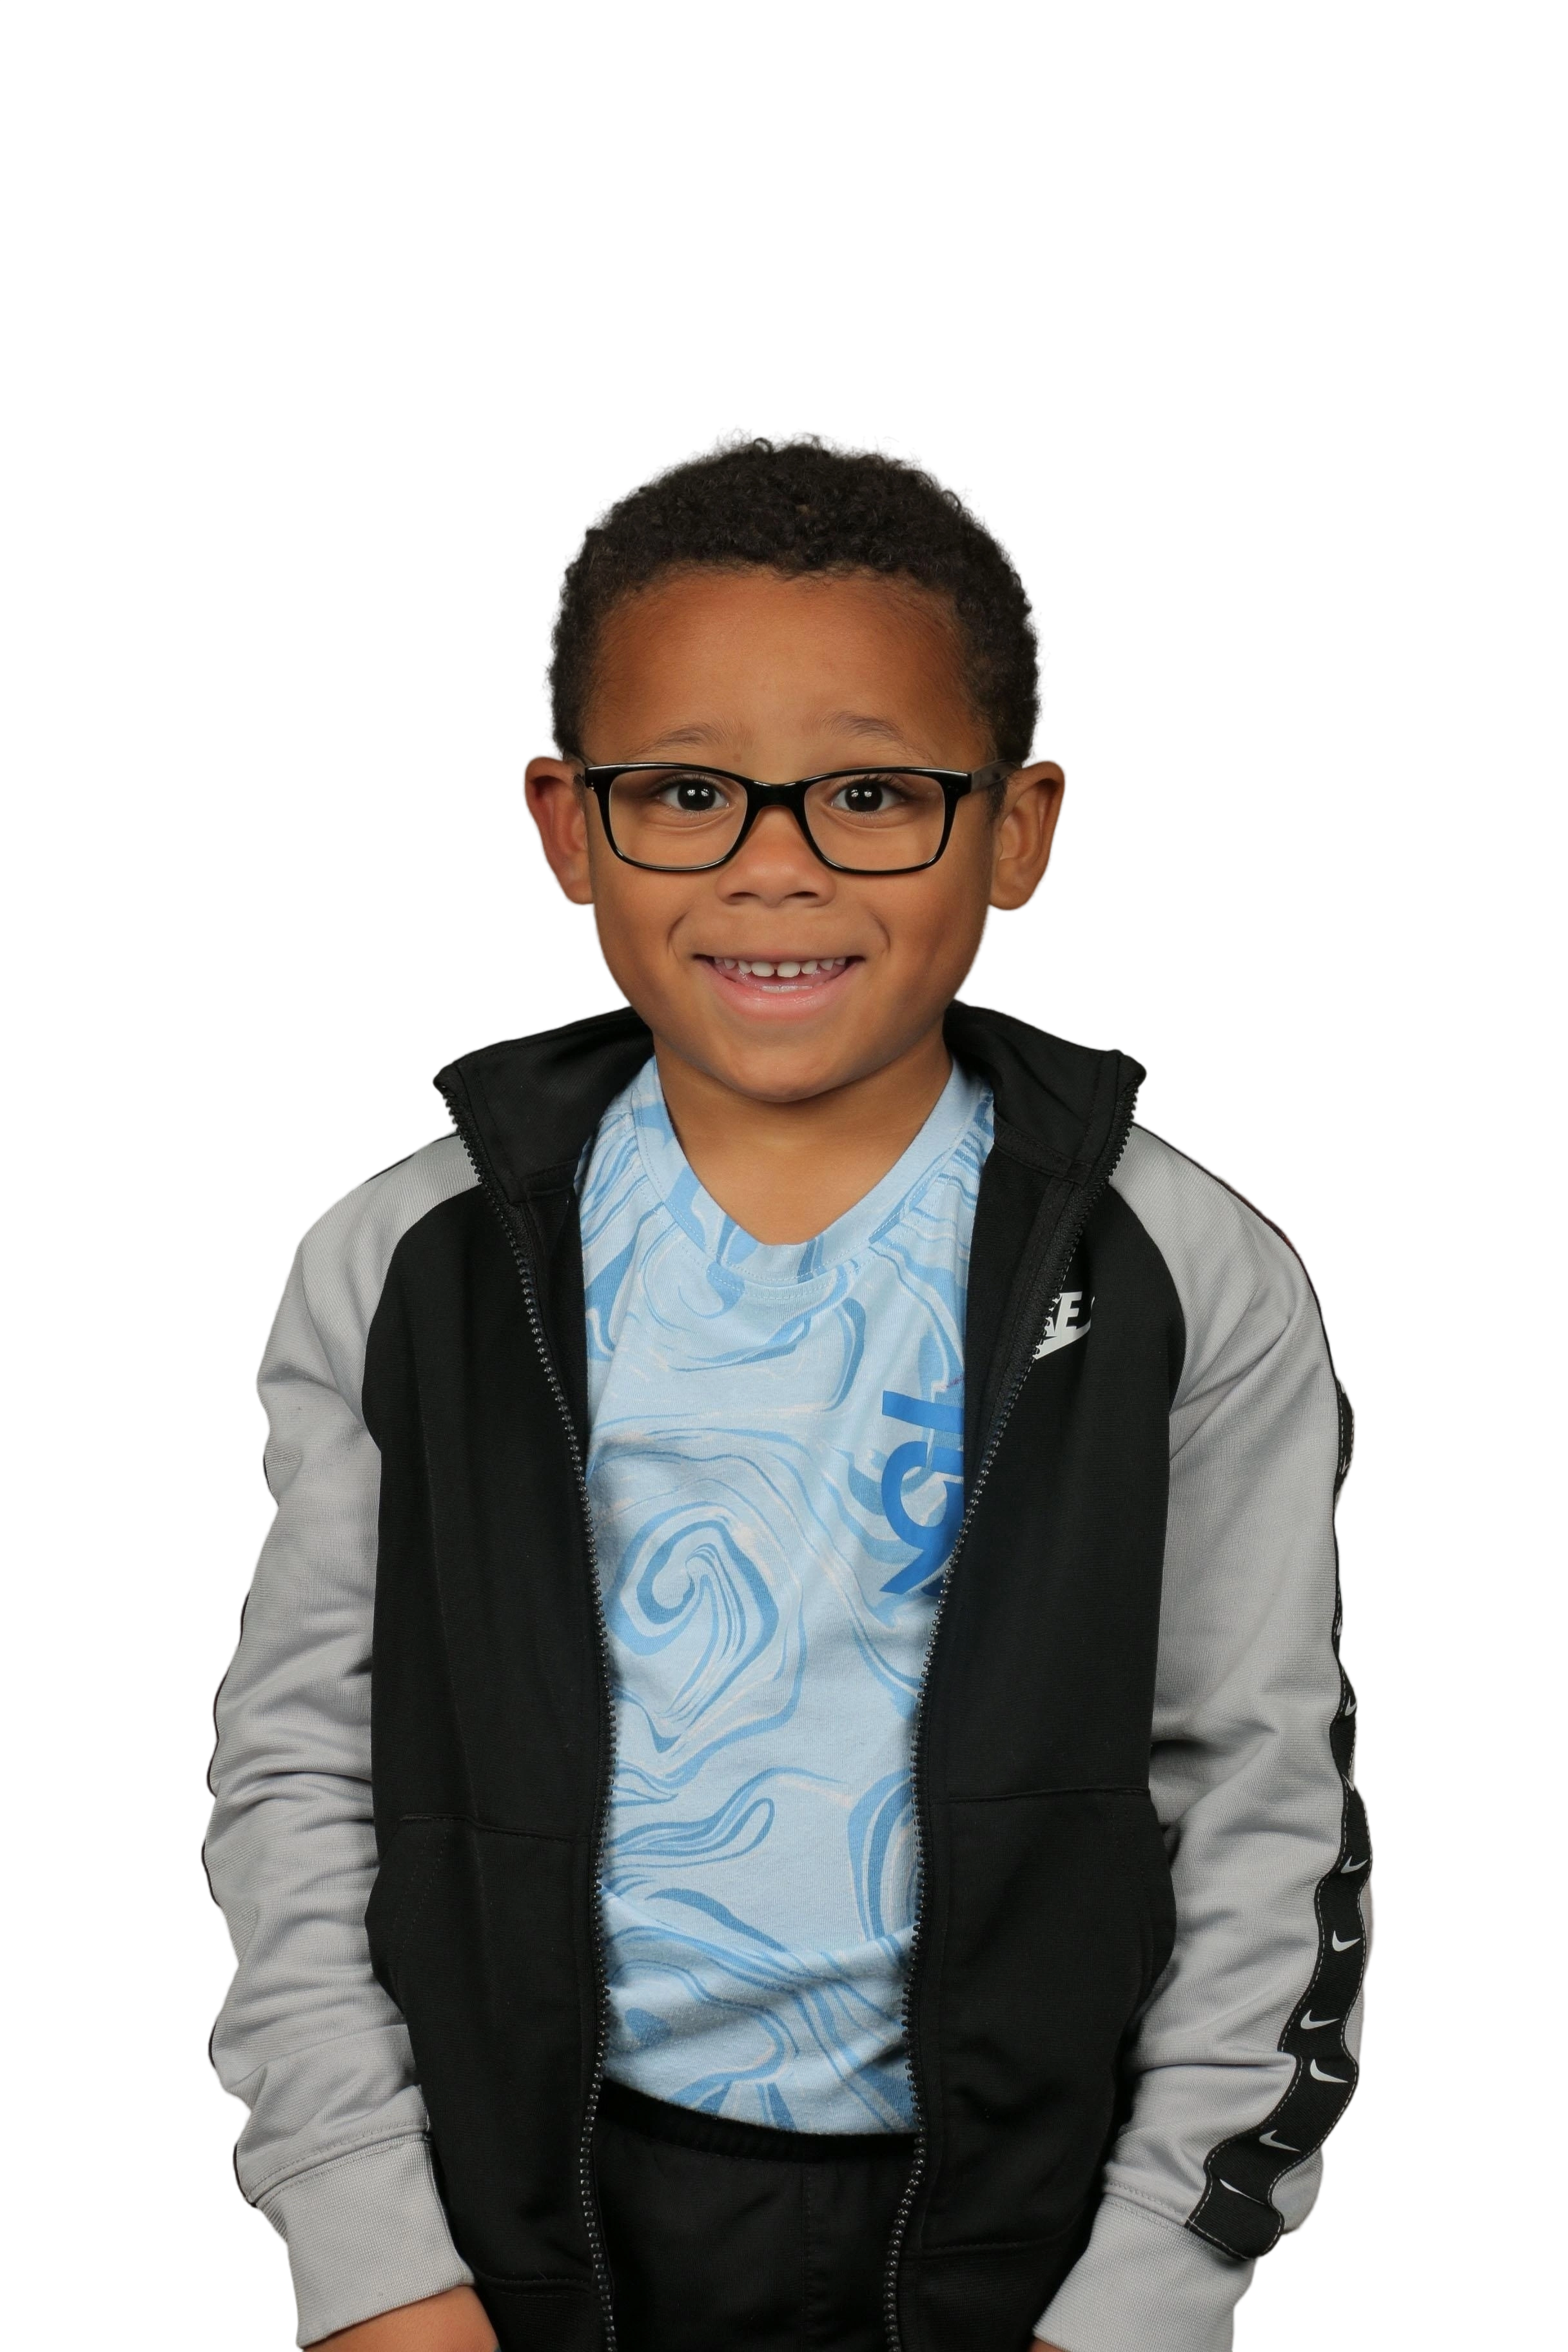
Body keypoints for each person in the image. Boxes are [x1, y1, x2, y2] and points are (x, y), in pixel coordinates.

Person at [202, 426, 1371, 2352]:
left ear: (1020, 827)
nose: (774, 866)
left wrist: (1153, 2281)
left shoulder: (1187, 1273)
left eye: (872, 794)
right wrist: (367, 2240)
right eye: (687, 792)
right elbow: (303, 1772)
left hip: (1021, 2258)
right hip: (510, 2240)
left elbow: (1264, 1796)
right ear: (567, 823)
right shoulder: (407, 1262)